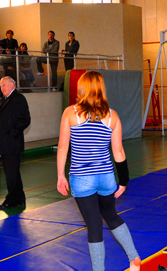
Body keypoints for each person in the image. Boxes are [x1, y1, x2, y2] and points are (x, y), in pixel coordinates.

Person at [56, 71, 141, 271]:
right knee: (111, 215)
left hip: (82, 177)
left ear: (82, 88)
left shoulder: (71, 113)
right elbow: (118, 151)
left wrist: (60, 175)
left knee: (94, 224)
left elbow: (62, 147)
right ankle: (134, 258)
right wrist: (124, 180)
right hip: (106, 177)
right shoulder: (112, 115)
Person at [0, 76, 30, 210]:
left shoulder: (18, 98)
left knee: (11, 173)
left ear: (12, 85)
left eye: (4, 85)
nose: (2, 88)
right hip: (4, 142)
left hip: (12, 142)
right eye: (1, 86)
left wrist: (13, 133)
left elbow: (25, 119)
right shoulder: (4, 99)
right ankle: (19, 198)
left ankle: (12, 200)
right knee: (12, 172)